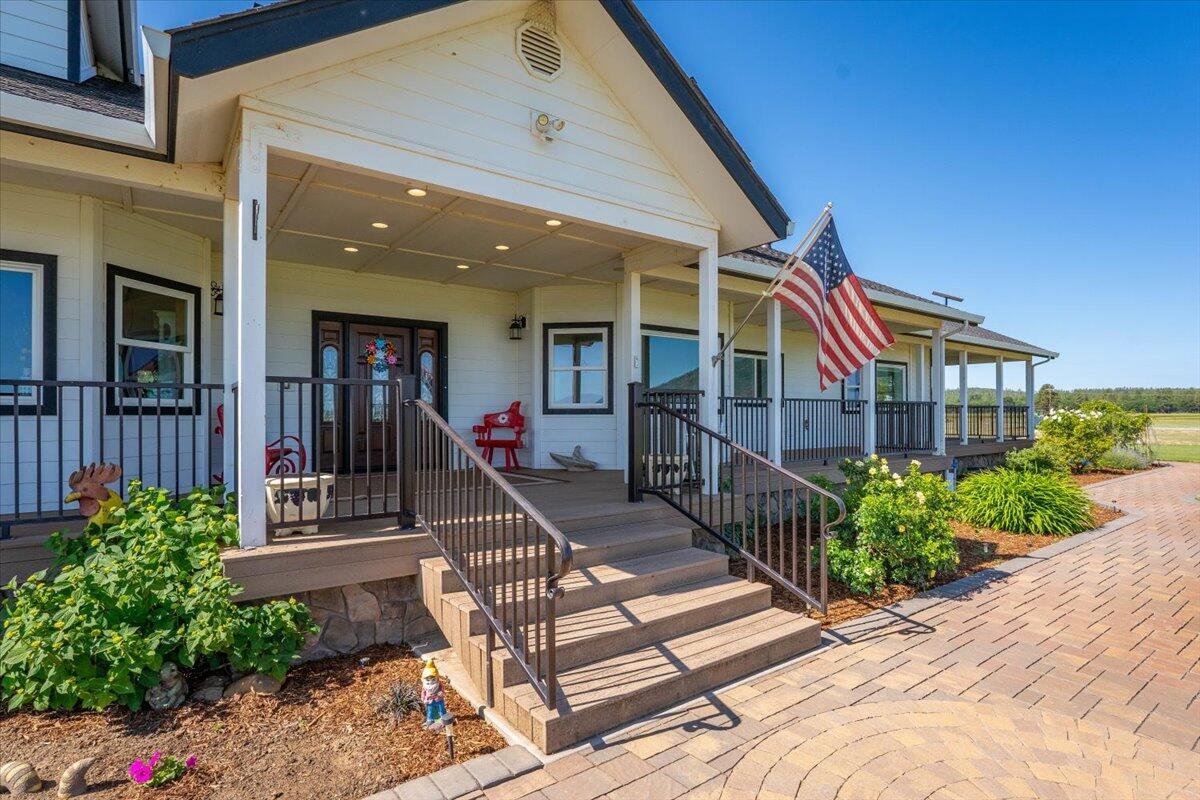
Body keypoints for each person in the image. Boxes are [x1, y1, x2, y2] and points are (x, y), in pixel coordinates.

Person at [421, 658, 447, 727]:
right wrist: (424, 699)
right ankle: (430, 719)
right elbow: (423, 694)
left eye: (433, 680)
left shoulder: (439, 685)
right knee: (430, 710)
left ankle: (443, 718)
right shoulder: (425, 687)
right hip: (429, 701)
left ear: (437, 678)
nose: (430, 682)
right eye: (428, 680)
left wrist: (441, 694)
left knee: (441, 709)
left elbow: (443, 691)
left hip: (438, 700)